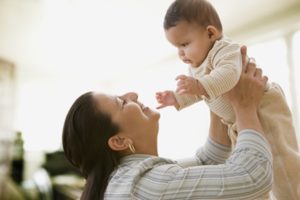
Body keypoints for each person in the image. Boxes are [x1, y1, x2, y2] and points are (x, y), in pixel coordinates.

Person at [62, 48, 273, 200]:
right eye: (121, 102)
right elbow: (252, 177)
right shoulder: (144, 185)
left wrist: (212, 89)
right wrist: (244, 106)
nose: (133, 94)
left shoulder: (126, 177)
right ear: (119, 141)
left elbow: (207, 160)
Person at [155, 0, 300, 199]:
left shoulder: (225, 50)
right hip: (236, 122)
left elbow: (229, 75)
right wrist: (176, 97)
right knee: (255, 170)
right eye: (176, 47)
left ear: (210, 33)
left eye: (185, 44)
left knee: (280, 162)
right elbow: (199, 91)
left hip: (263, 108)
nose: (181, 53)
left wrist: (199, 85)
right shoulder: (197, 64)